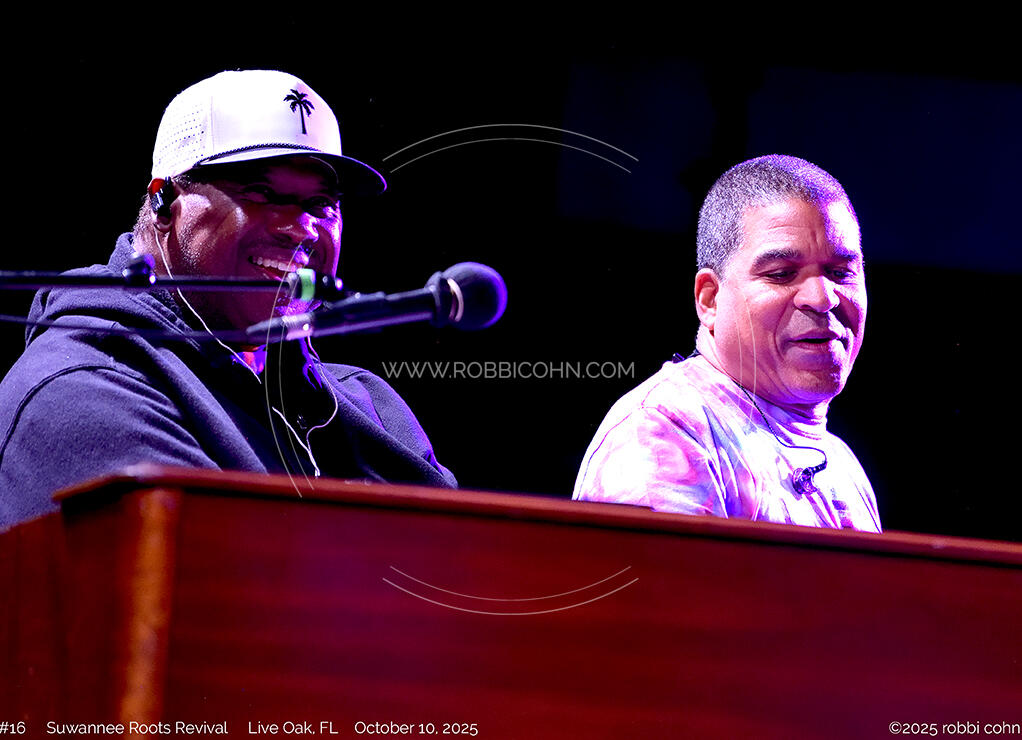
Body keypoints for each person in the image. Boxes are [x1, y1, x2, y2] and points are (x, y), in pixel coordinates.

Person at [0, 70, 455, 529]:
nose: (300, 228)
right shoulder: (88, 386)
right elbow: (221, 567)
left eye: (321, 204)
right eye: (261, 193)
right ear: (163, 203)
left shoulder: (371, 407)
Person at [573, 155, 880, 532]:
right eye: (782, 274)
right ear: (710, 300)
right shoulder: (664, 430)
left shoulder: (843, 464)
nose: (822, 297)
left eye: (840, 272)